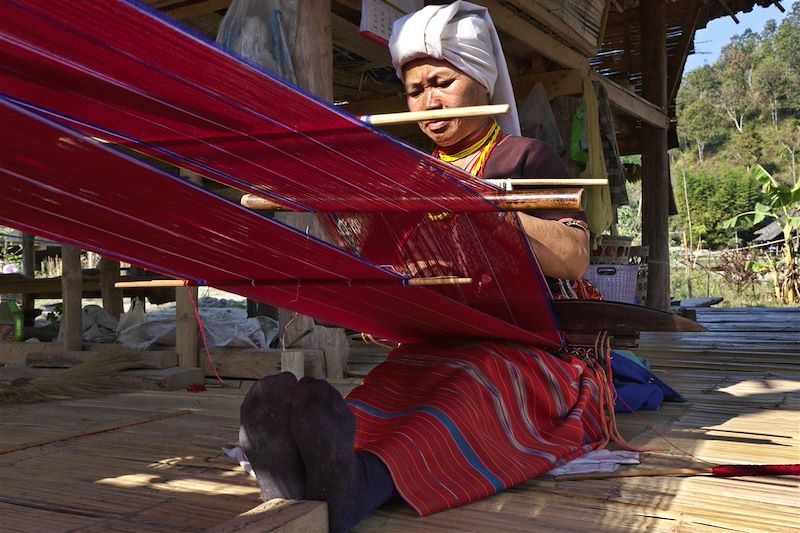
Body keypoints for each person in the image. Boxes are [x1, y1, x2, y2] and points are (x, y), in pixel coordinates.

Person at [239, 3, 607, 532]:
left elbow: (572, 257)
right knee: (389, 392)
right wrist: (337, 203)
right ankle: (301, 470)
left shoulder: (524, 159)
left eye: (442, 82)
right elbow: (376, 253)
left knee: (468, 394)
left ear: (481, 80)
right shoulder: (409, 173)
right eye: (415, 91)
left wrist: (482, 203)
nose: (429, 101)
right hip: (435, 343)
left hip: (529, 349)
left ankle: (356, 487)